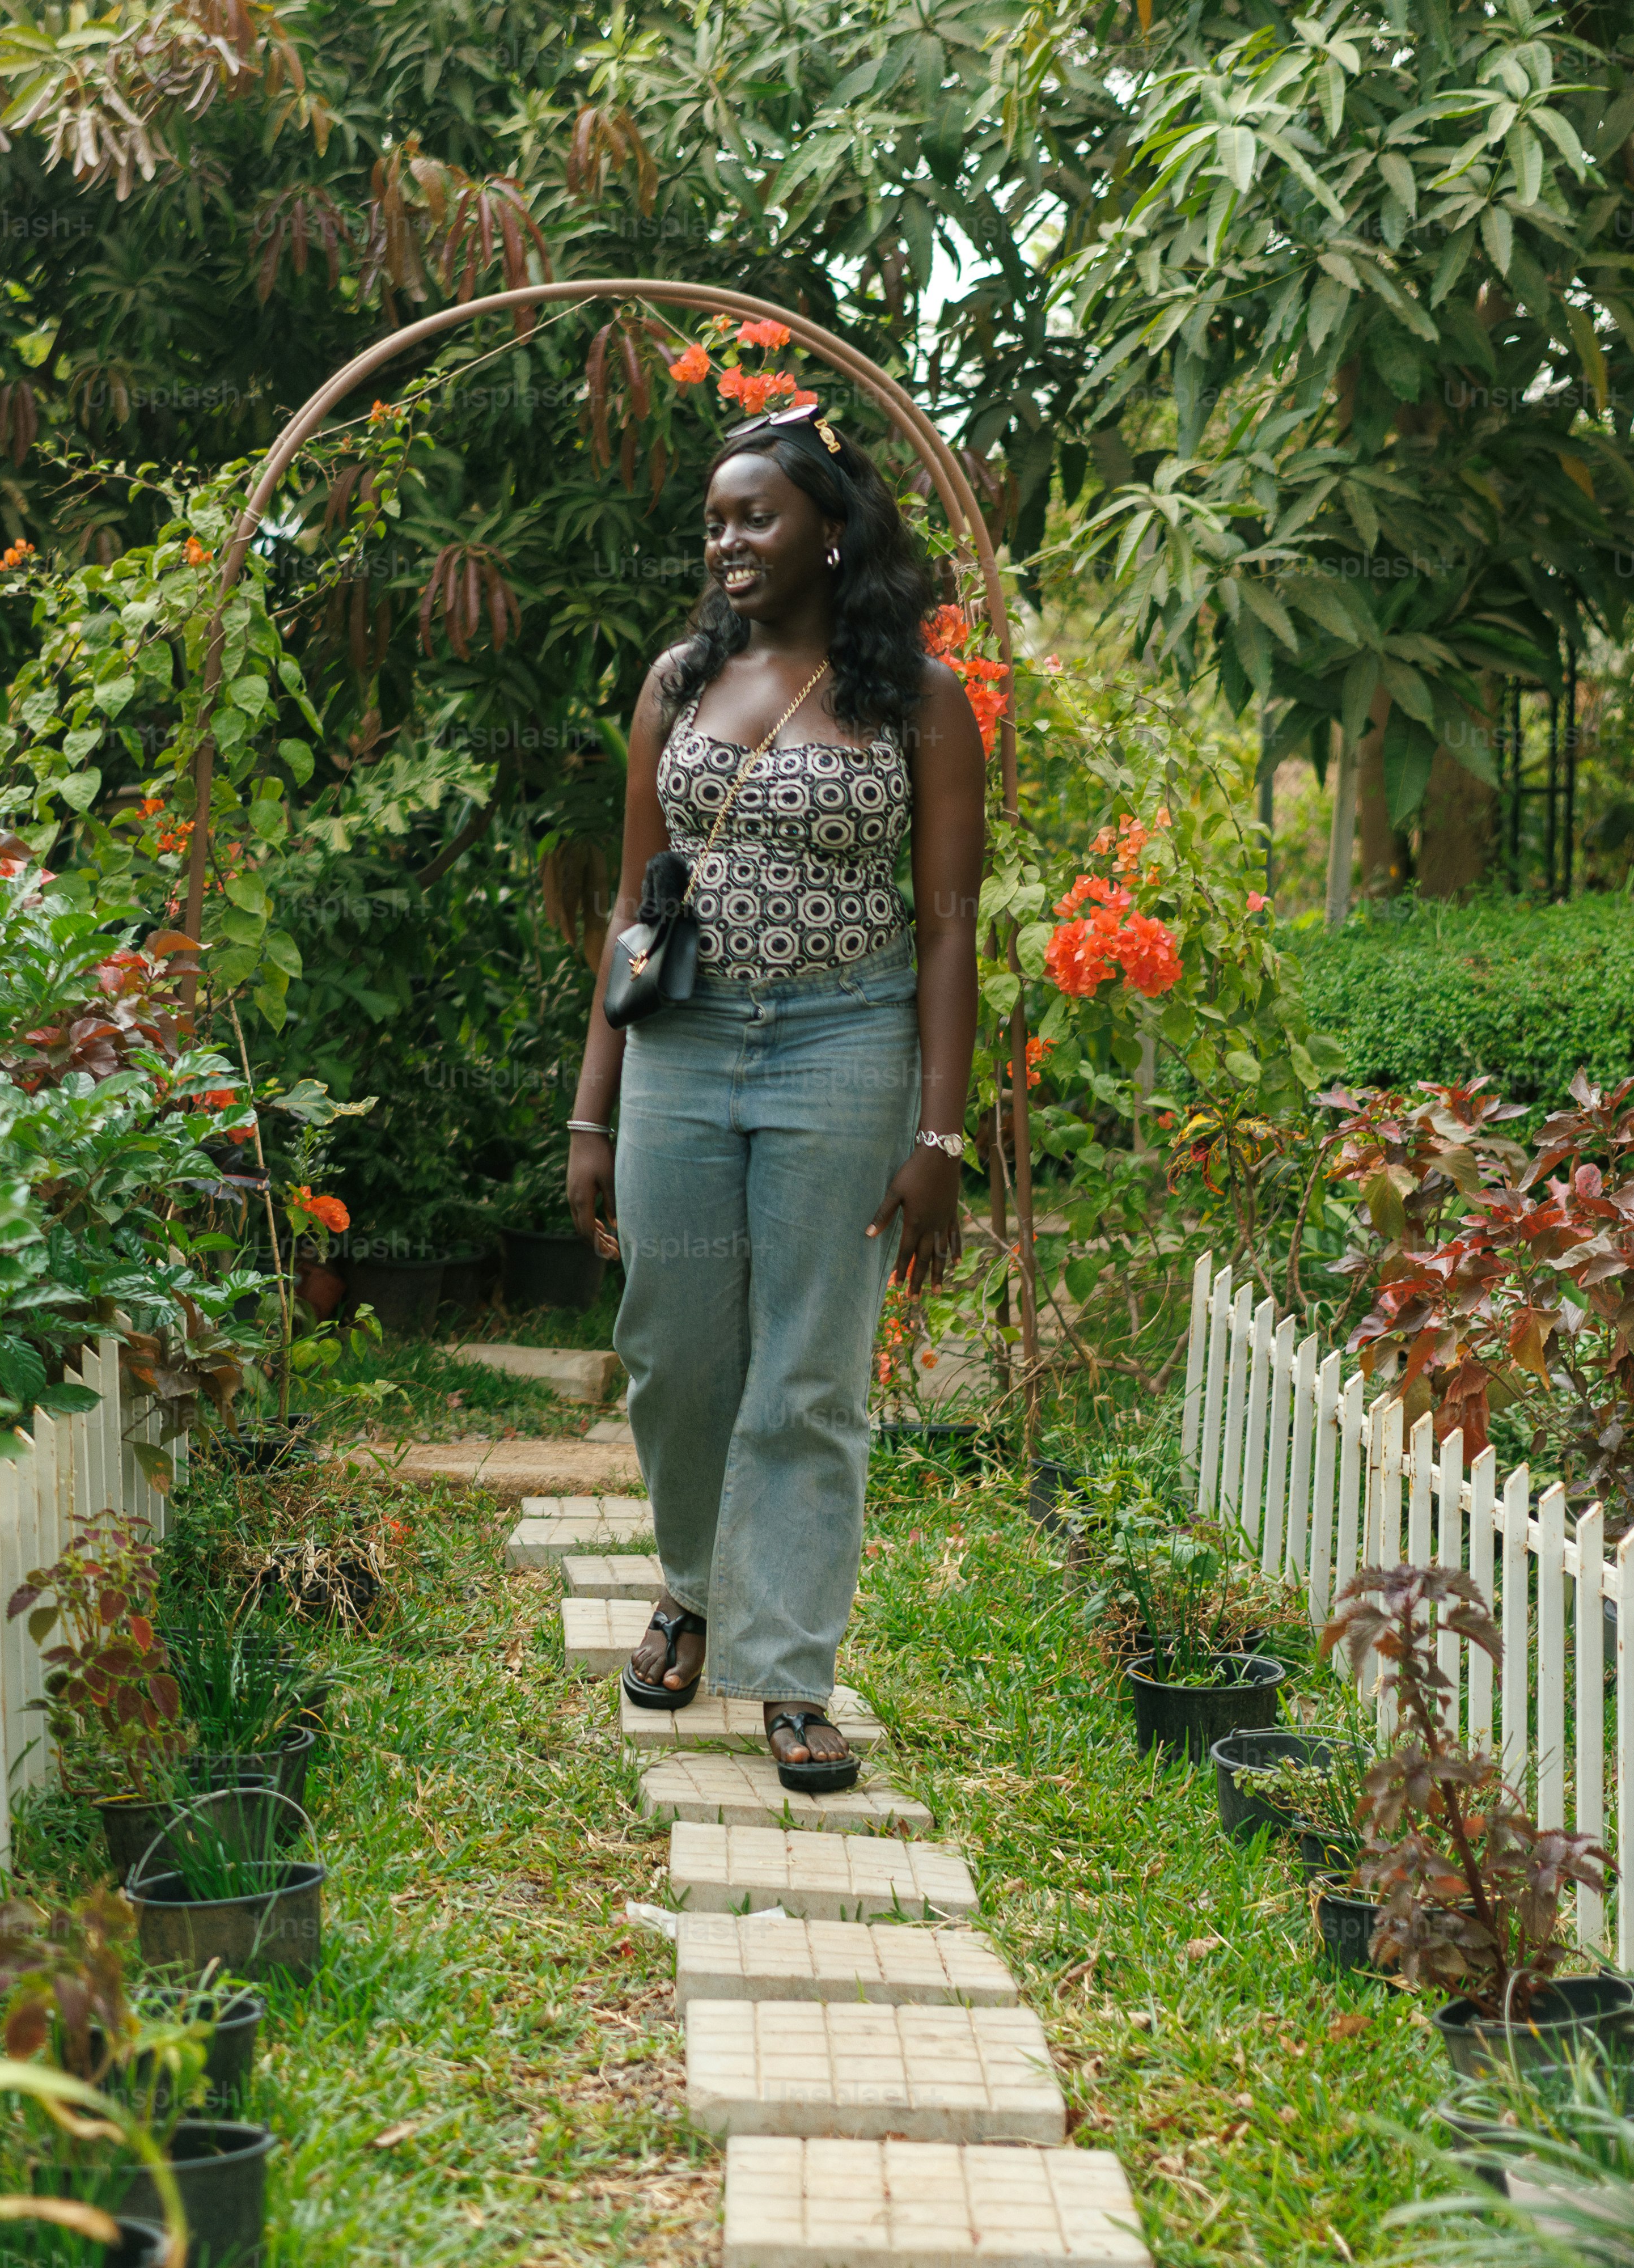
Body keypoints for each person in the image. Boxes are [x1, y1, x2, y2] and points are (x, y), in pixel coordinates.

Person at [562, 398, 985, 1794]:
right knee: (677, 1347)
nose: (729, 539)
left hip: (843, 1048)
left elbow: (947, 922)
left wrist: (938, 1132)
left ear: (829, 529)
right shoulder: (680, 681)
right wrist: (591, 1110)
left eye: (757, 514)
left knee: (808, 1368)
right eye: (717, 519)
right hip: (681, 1050)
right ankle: (691, 1579)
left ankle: (791, 1669)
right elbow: (631, 903)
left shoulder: (914, 697)